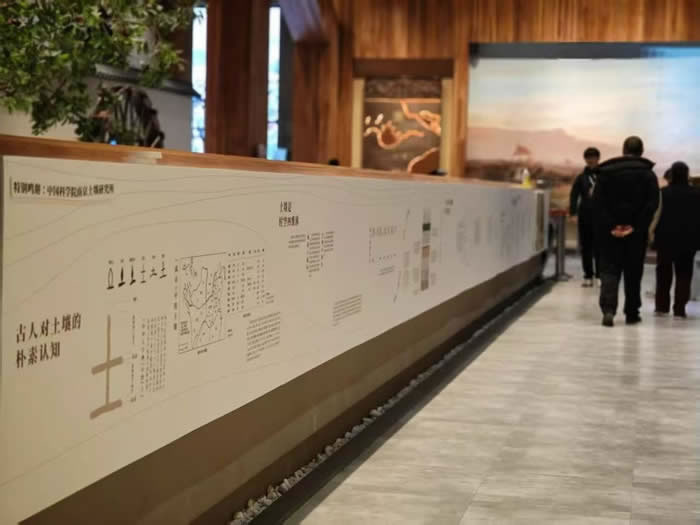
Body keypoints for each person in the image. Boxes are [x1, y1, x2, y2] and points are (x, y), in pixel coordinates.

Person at [593, 136, 660, 327]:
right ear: (642, 151)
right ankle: (631, 312)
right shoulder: (648, 175)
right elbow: (652, 204)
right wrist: (635, 226)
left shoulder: (605, 173)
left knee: (609, 270)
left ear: (623, 150)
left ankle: (608, 310)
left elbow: (598, 204)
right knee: (633, 272)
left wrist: (611, 226)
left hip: (609, 233)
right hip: (635, 234)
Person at [651, 161, 700, 318]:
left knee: (663, 273)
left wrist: (651, 234)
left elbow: (656, 215)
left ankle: (661, 307)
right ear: (687, 174)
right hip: (689, 239)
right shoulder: (696, 193)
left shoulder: (663, 192)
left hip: (665, 238)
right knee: (684, 274)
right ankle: (680, 308)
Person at [570, 147, 601, 287]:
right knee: (586, 247)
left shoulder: (604, 176)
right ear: (585, 159)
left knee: (600, 247)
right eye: (588, 157)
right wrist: (573, 213)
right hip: (585, 216)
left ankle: (600, 275)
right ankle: (588, 275)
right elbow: (574, 195)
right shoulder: (581, 177)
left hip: (600, 216)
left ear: (598, 158)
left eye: (593, 157)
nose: (591, 160)